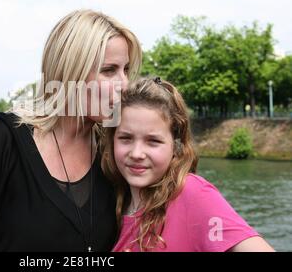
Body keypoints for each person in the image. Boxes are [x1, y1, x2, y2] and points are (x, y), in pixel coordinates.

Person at [0, 9, 143, 251]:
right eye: (109, 70)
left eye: (126, 70)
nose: (124, 85)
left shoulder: (114, 152)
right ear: (71, 71)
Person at [102, 76, 275, 252]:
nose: (137, 153)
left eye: (153, 141)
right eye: (125, 138)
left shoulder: (191, 193)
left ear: (175, 145)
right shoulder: (113, 199)